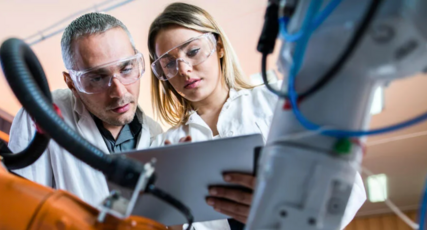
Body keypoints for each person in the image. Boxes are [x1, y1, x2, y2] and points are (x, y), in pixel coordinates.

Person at [147, 3, 366, 230]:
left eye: (192, 51)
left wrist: (282, 212)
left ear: (219, 46)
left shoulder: (279, 101)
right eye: (169, 63)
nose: (183, 69)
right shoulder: (167, 145)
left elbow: (348, 188)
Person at [8, 12, 162, 207]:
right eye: (97, 78)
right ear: (71, 82)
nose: (119, 92)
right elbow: (20, 205)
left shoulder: (157, 135)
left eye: (126, 69)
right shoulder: (42, 113)